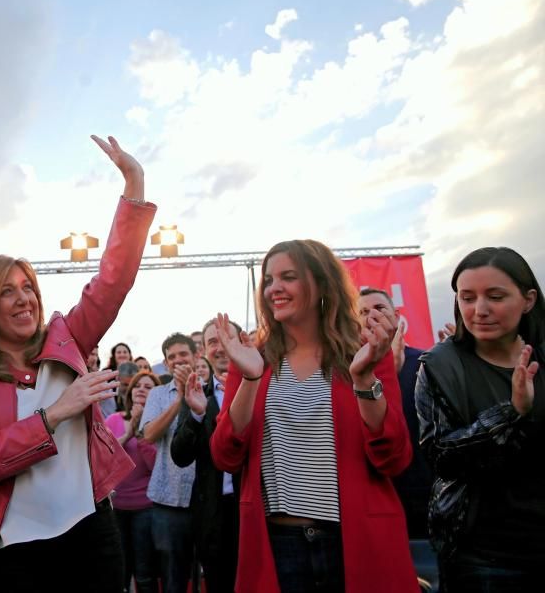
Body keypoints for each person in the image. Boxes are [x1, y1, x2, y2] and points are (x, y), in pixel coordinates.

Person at [0, 135, 155, 593]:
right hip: (13, 553)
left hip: (91, 538)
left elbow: (113, 280)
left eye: (28, 287)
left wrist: (134, 184)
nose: (24, 299)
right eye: (7, 290)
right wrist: (53, 415)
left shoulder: (67, 337)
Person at [210, 239, 416, 593]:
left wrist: (364, 379)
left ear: (321, 282)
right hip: (278, 544)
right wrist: (250, 379)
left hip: (354, 541)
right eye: (269, 279)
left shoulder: (365, 351)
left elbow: (393, 458)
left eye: (288, 276)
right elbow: (225, 455)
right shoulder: (251, 358)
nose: (275, 288)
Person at [416, 247, 545, 590]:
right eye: (467, 298)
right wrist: (511, 413)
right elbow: (442, 457)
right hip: (482, 555)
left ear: (528, 299)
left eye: (496, 296)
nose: (480, 310)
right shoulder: (440, 367)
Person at [171, 319, 241, 593]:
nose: (220, 347)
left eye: (226, 338)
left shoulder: (261, 384)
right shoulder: (197, 393)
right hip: (213, 515)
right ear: (204, 352)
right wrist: (197, 415)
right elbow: (180, 455)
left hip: (253, 510)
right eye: (213, 341)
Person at [358, 288, 432, 540]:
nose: (372, 316)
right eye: (363, 311)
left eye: (379, 308)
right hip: (374, 493)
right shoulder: (348, 369)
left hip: (422, 489)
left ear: (397, 315)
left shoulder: (426, 362)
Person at [139, 333, 199, 593]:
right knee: (173, 578)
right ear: (165, 362)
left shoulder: (211, 390)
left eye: (183, 354)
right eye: (171, 357)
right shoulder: (158, 394)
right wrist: (179, 400)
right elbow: (150, 434)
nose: (178, 360)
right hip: (168, 501)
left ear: (196, 356)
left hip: (206, 501)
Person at [105, 369, 159, 593]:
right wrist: (128, 433)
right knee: (119, 573)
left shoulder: (158, 425)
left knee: (144, 574)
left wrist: (140, 431)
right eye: (138, 386)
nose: (141, 390)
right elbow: (105, 457)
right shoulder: (113, 419)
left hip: (144, 509)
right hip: (116, 508)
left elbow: (154, 466)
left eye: (148, 387)